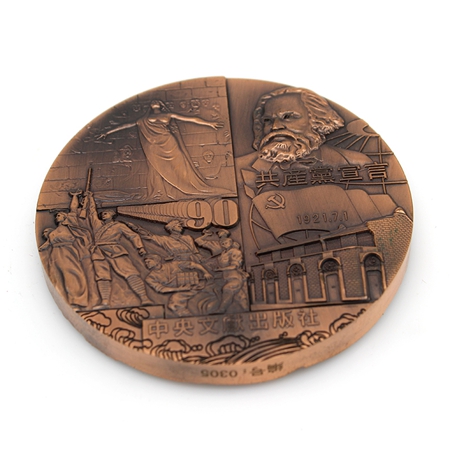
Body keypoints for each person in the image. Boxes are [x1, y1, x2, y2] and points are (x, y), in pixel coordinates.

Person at [99, 100, 233, 201]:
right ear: (151, 106)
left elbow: (190, 118)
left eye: (157, 101)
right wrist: (108, 132)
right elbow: (126, 125)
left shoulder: (165, 115)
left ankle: (188, 186)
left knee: (181, 165)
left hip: (168, 143)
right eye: (152, 102)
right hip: (155, 146)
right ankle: (162, 191)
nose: (154, 102)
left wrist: (209, 123)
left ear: (160, 105)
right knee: (157, 168)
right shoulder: (145, 119)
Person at [85, 191, 152, 308]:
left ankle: (144, 298)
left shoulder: (118, 226)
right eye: (103, 214)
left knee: (130, 272)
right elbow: (92, 212)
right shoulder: (97, 225)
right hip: (98, 252)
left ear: (112, 215)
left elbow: (133, 235)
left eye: (106, 213)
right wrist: (90, 198)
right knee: (102, 276)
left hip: (115, 250)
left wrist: (140, 247)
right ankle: (105, 302)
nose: (103, 215)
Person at [145, 255, 212, 317]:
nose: (146, 264)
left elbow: (193, 264)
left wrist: (206, 272)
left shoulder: (174, 264)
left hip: (198, 283)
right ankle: (189, 318)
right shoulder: (150, 278)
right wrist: (180, 289)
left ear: (157, 261)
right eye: (145, 262)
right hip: (185, 290)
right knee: (174, 303)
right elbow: (162, 289)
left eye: (148, 261)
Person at [215, 238, 248, 312]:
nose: (224, 244)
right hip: (226, 278)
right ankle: (247, 310)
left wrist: (220, 269)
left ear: (230, 242)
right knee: (240, 296)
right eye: (222, 243)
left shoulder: (235, 252)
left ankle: (221, 309)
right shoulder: (223, 253)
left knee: (227, 289)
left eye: (226, 242)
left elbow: (234, 266)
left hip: (235, 277)